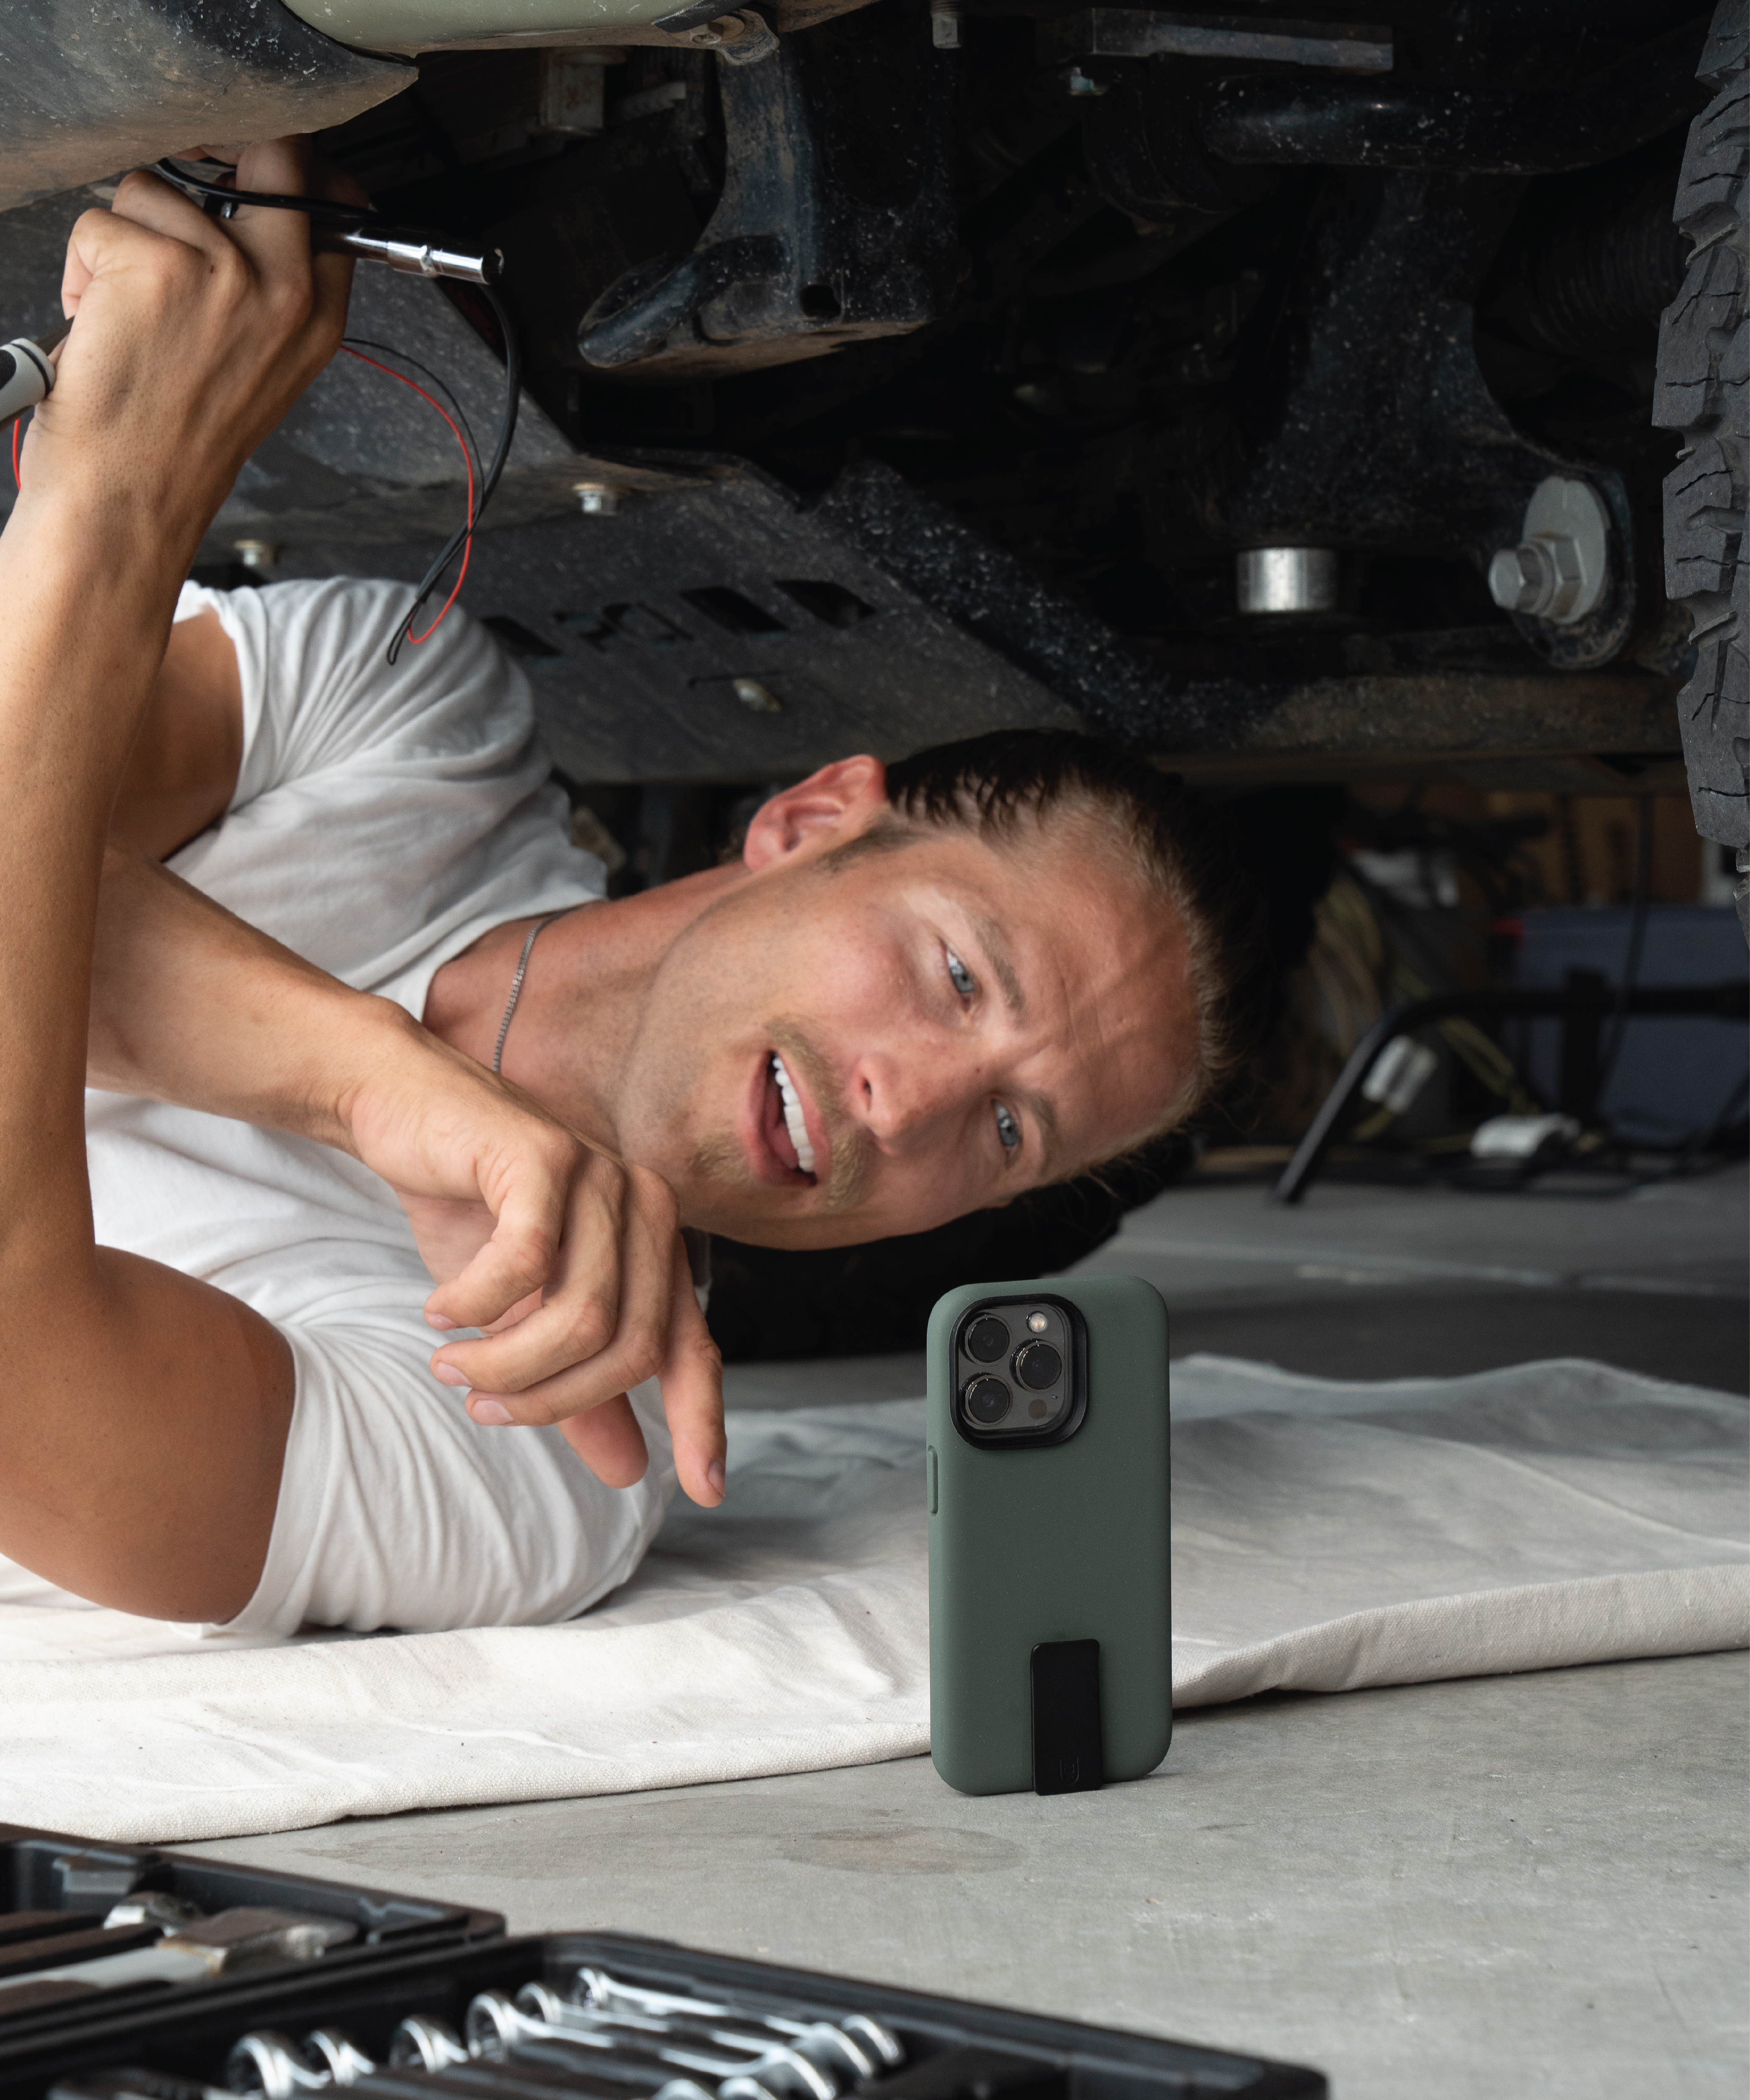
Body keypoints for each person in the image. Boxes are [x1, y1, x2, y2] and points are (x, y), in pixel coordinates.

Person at [0, 139, 1259, 1643]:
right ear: (811, 820)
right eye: (959, 980)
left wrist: (119, 501)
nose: (910, 1102)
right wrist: (363, 1077)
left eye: (1006, 1134)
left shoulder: (553, 1453)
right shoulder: (413, 719)